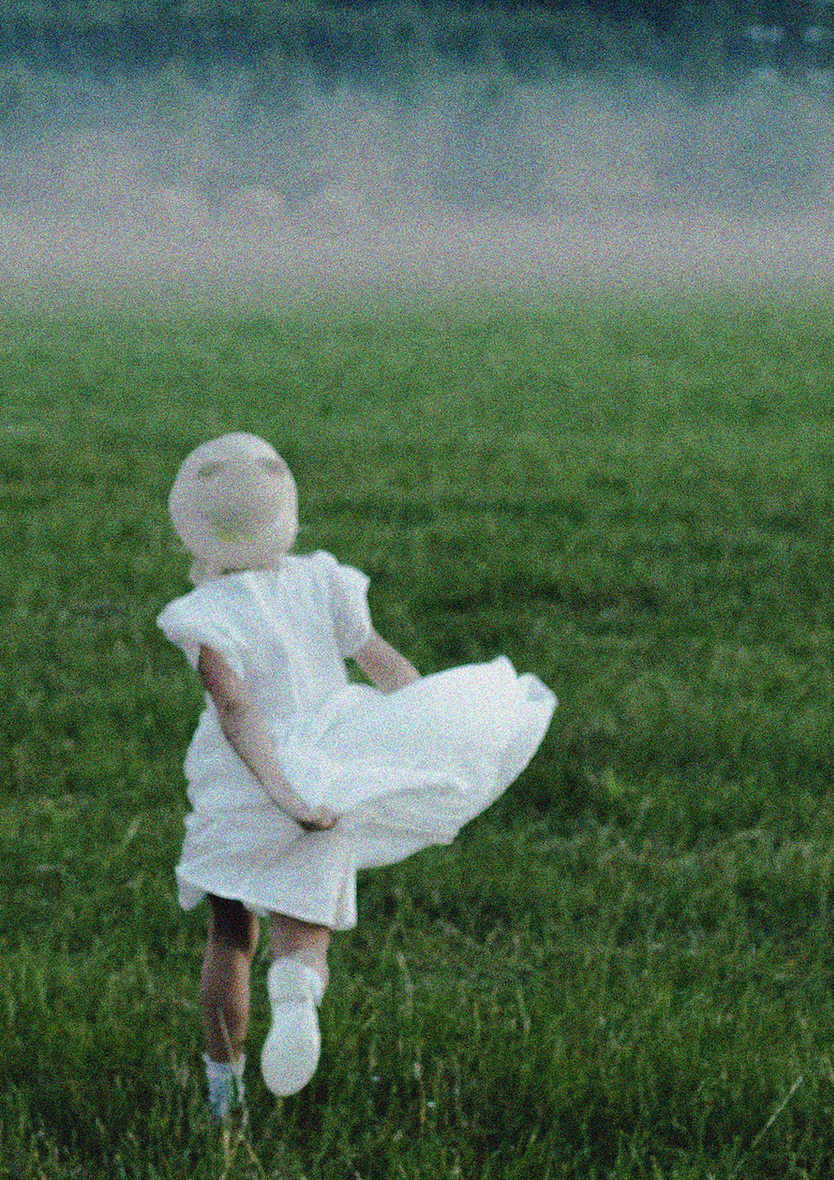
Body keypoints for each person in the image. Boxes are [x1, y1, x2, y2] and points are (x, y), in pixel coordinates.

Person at [157, 431, 555, 1118]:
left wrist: (283, 791)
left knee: (230, 933)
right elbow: (384, 665)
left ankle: (225, 1100)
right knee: (303, 921)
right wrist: (428, 727)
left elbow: (235, 708)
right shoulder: (324, 580)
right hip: (337, 759)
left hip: (247, 779)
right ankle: (299, 987)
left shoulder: (207, 613)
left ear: (191, 530)